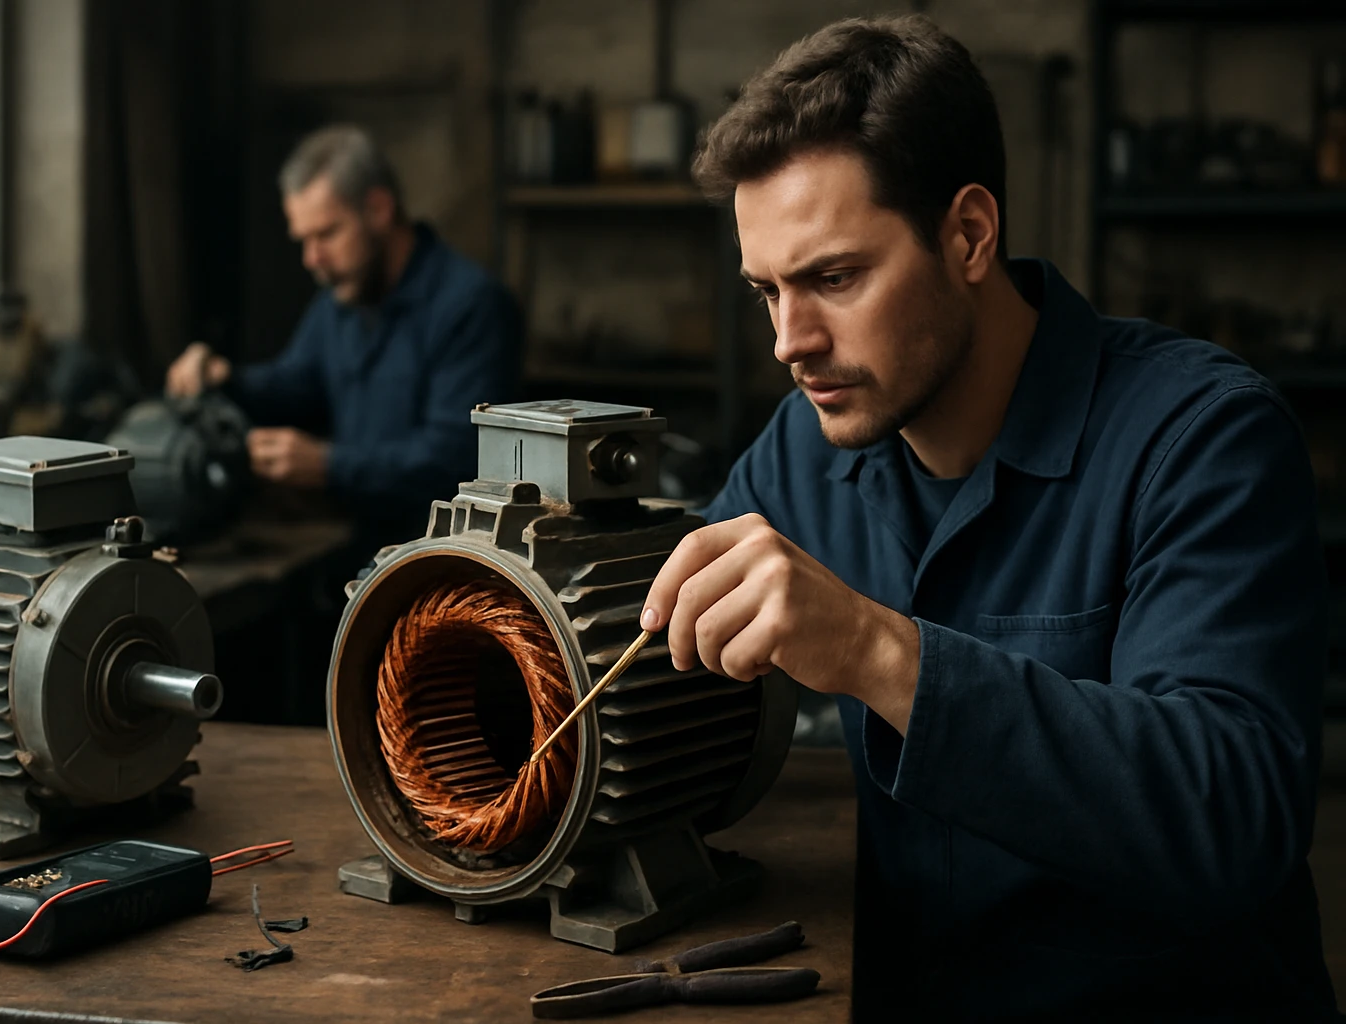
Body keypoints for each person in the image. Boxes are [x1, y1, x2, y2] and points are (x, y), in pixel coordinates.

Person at [641, 16, 1339, 1022]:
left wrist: (878, 651)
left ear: (969, 234)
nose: (790, 342)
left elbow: (1229, 811)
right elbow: (666, 655)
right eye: (767, 291)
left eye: (834, 278)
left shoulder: (1204, 438)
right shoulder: (805, 444)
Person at [166, 124, 522, 555]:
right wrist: (224, 378)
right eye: (303, 240)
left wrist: (328, 466)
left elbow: (454, 460)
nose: (311, 259)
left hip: (437, 563)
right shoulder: (339, 301)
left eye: (327, 235)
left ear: (378, 208)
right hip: (353, 545)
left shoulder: (471, 306)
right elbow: (296, 385)